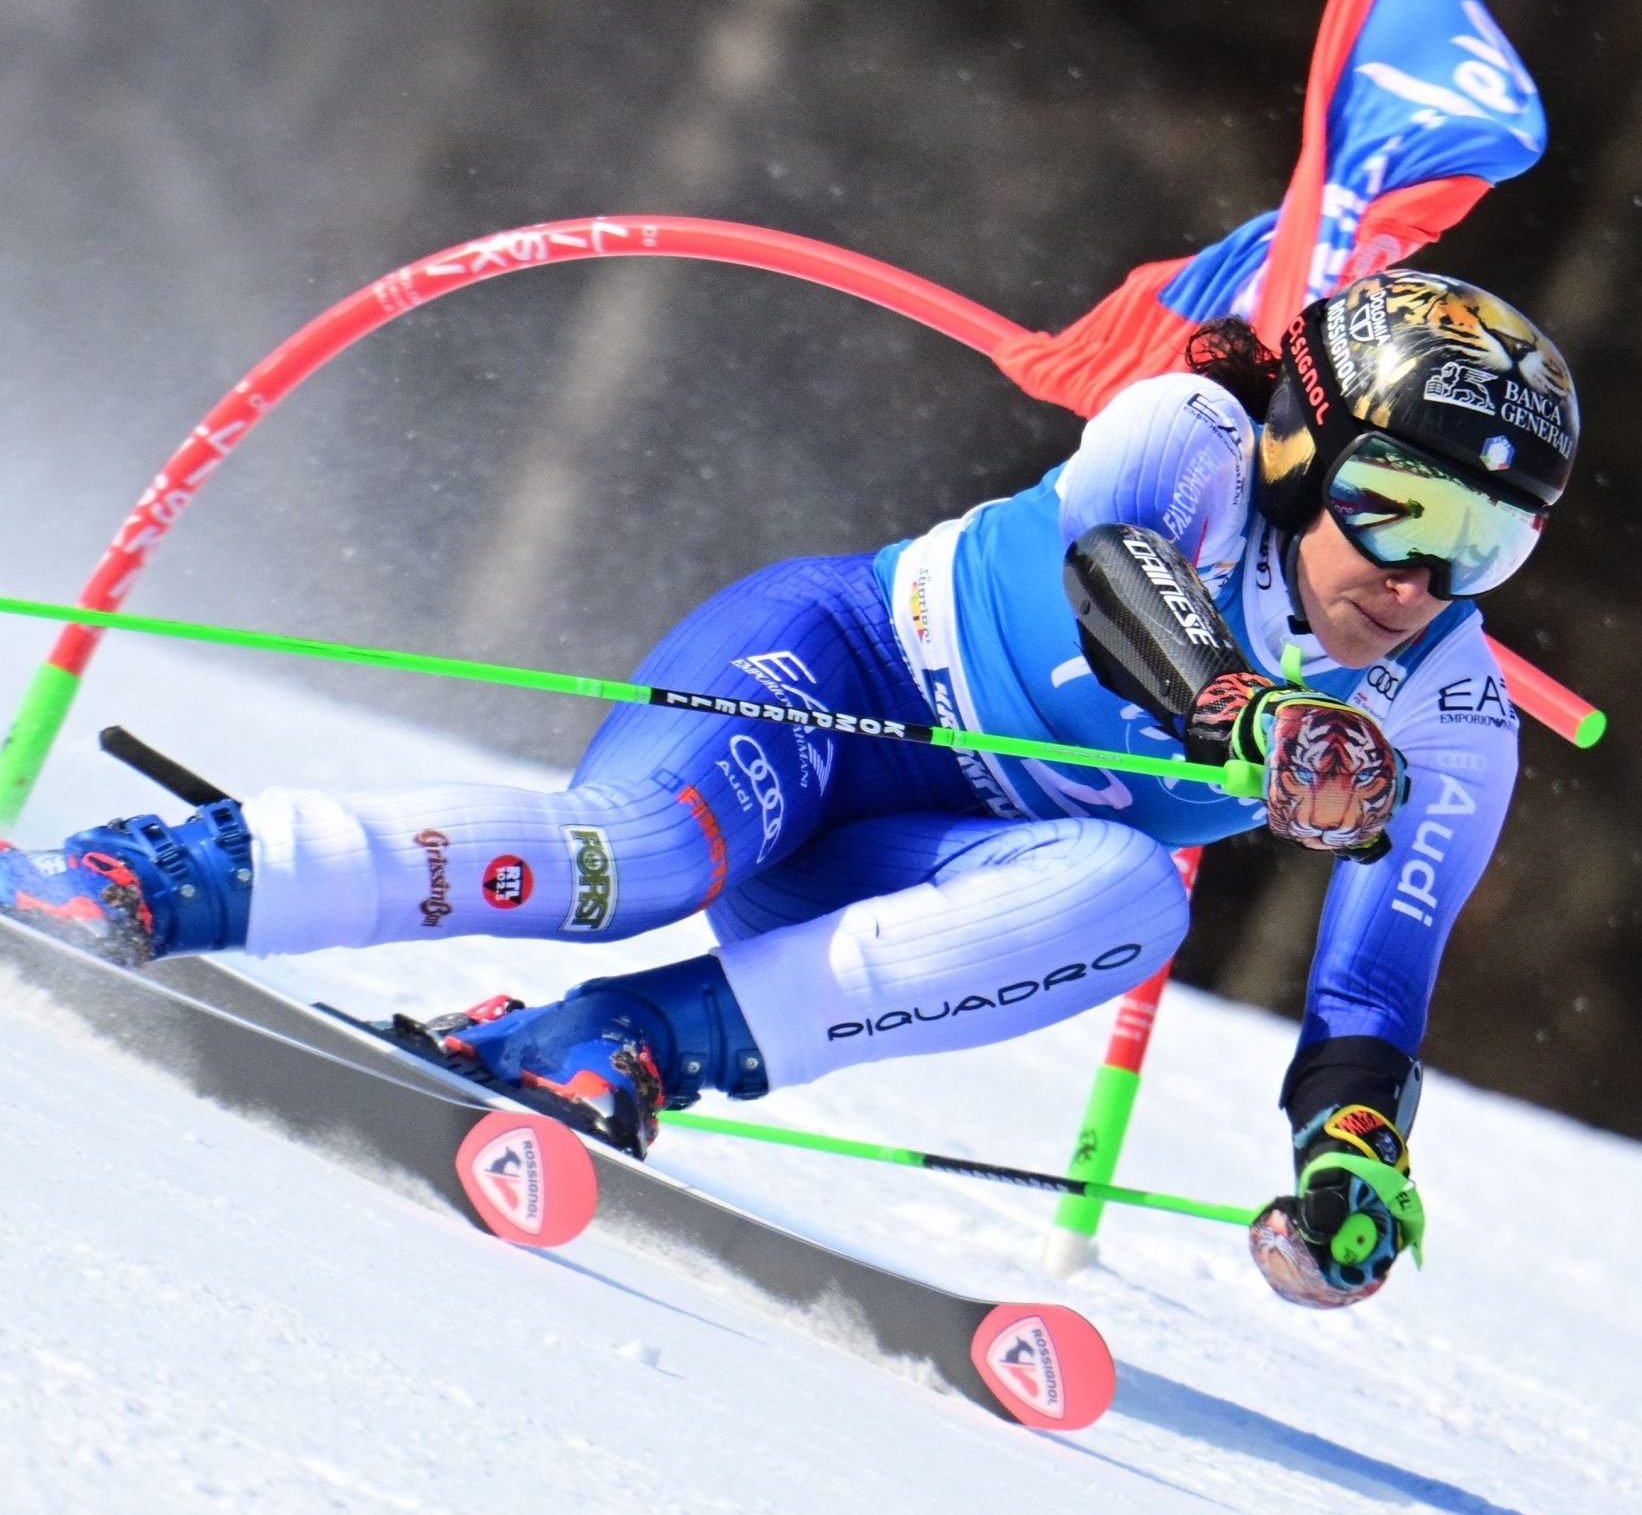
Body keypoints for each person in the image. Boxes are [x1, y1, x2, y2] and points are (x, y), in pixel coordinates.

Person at [0, 269, 1578, 1307]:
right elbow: (1113, 576)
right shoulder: (1189, 438)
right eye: (1395, 508)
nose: (1423, 579)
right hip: (831, 684)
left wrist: (1350, 1153)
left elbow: (1375, 974)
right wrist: (1237, 714)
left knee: (1120, 903)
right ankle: (168, 873)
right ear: (1307, 447)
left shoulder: (1446, 709)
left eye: (1483, 547)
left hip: (927, 856)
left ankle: (614, 1044)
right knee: (633, 854)